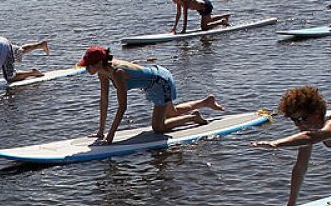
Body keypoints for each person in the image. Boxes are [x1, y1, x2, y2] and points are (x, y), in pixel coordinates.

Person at [77, 45, 224, 143]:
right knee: (171, 113)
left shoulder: (118, 73)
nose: (85, 68)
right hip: (154, 81)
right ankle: (207, 102)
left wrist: (110, 136)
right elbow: (104, 101)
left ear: (98, 64)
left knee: (158, 128)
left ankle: (193, 118)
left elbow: (122, 107)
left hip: (161, 82)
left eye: (87, 65)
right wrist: (100, 132)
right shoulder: (102, 72)